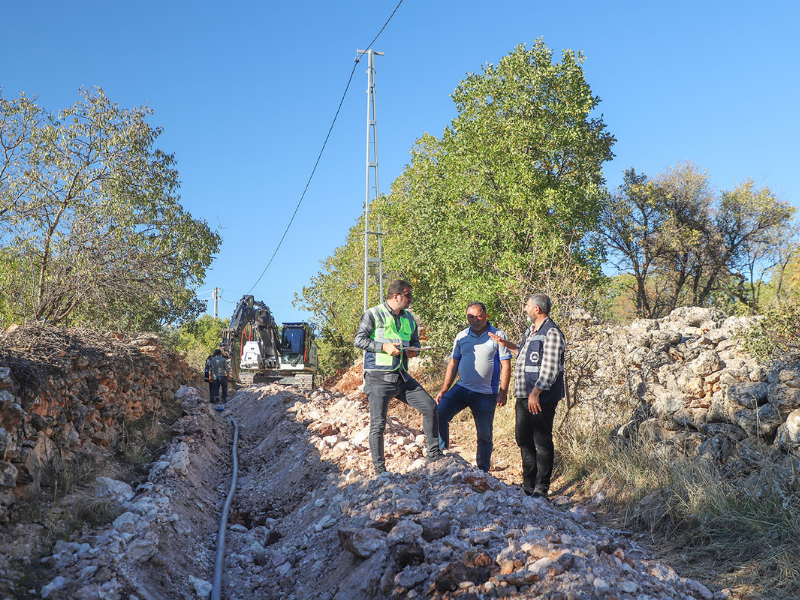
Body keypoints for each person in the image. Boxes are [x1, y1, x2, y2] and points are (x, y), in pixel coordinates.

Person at [354, 279, 445, 475]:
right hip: (378, 378)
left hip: (402, 376)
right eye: (408, 295)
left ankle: (433, 453)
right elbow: (359, 340)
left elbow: (415, 343)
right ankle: (380, 471)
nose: (411, 299)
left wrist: (415, 351)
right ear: (396, 296)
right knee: (378, 424)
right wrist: (383, 347)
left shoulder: (409, 319)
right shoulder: (373, 314)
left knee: (430, 407)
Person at [489, 293, 565, 499]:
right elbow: (524, 353)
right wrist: (505, 344)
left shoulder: (552, 333)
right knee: (523, 439)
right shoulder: (531, 330)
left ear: (537, 310)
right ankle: (528, 484)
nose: (525, 309)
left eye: (527, 306)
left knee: (541, 440)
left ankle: (542, 487)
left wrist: (535, 393)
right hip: (525, 395)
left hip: (540, 397)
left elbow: (550, 370)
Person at [435, 302, 511, 472]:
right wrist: (444, 388)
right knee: (438, 414)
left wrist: (503, 392)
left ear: (485, 315)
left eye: (479, 316)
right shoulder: (461, 336)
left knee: (484, 434)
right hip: (462, 388)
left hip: (486, 393)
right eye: (471, 317)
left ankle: (482, 471)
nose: (475, 320)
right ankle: (441, 453)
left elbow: (506, 365)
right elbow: (453, 363)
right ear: (467, 318)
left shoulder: (497, 335)